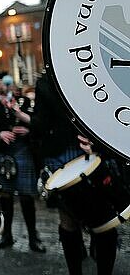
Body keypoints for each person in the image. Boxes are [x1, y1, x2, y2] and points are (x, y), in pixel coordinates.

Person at [33, 73, 118, 274]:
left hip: (94, 150)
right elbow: (42, 124)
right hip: (63, 154)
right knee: (73, 220)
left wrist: (97, 142)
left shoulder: (83, 72)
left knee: (103, 221)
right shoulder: (46, 82)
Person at [0, 74, 45, 252]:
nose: (3, 86)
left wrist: (27, 130)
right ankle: (6, 235)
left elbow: (37, 125)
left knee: (26, 196)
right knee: (5, 196)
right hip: (2, 151)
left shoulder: (24, 102)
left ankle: (33, 237)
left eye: (5, 82)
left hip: (22, 150)